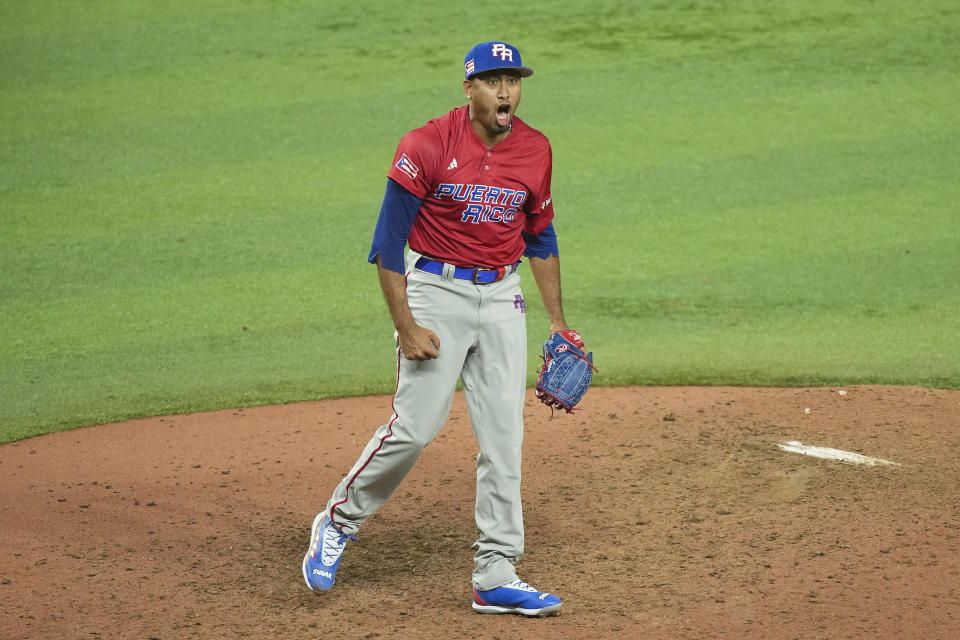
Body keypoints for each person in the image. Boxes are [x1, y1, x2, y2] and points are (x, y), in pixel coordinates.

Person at [302, 41, 573, 618]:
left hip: (503, 295)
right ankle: (337, 522)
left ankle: (496, 572)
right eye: (493, 80)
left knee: (504, 439)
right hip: (436, 293)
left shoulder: (536, 149)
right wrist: (406, 325)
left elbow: (540, 237)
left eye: (513, 80)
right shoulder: (426, 145)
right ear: (468, 88)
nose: (505, 91)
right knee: (416, 428)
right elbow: (386, 244)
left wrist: (558, 324)